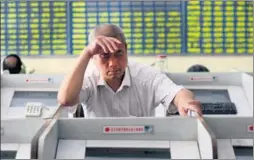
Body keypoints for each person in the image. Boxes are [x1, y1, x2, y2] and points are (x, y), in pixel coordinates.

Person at [58, 24, 202, 117]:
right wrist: (86, 52)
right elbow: (65, 100)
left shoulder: (145, 76)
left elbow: (178, 92)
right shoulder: (89, 77)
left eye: (119, 54)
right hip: (97, 147)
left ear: (126, 49)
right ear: (93, 58)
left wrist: (186, 102)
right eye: (104, 56)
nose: (113, 63)